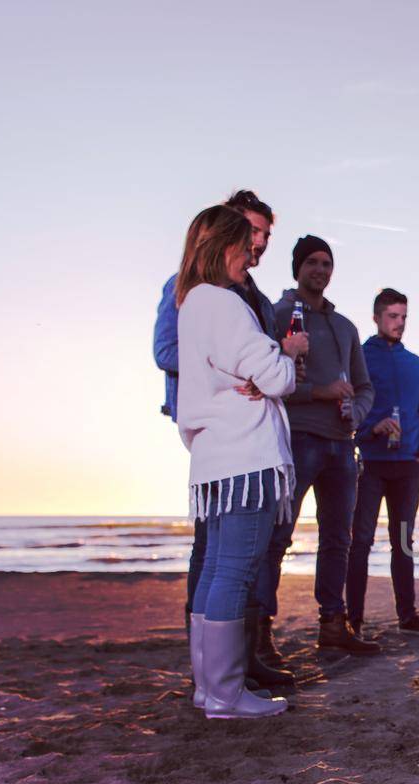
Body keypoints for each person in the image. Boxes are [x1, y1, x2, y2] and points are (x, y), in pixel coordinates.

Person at [152, 189, 295, 693]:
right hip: (242, 448)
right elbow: (276, 375)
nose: (254, 246)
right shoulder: (218, 300)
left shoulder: (203, 298)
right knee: (230, 569)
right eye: (247, 235)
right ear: (224, 240)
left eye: (263, 236)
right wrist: (280, 357)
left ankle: (212, 684)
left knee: (219, 568)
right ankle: (223, 690)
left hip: (213, 448)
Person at [257, 235, 379, 656]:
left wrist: (356, 413)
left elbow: (364, 388)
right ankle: (260, 630)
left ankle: (332, 624)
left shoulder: (345, 326)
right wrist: (320, 392)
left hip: (342, 447)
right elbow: (268, 383)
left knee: (337, 539)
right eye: (312, 263)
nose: (320, 271)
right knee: (279, 535)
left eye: (327, 264)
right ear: (297, 268)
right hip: (296, 439)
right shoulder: (275, 316)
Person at [348, 288, 419, 635]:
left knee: (403, 540)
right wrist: (370, 430)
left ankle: (408, 616)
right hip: (370, 463)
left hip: (408, 465)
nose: (399, 323)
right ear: (376, 317)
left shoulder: (415, 363)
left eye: (403, 317)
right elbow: (350, 409)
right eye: (392, 316)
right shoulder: (360, 358)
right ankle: (352, 620)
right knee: (361, 541)